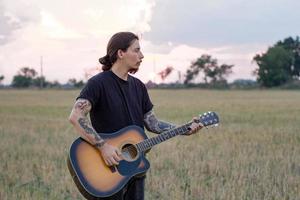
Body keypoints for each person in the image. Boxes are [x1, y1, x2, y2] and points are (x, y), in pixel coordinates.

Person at [68, 32, 202, 200]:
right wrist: (104, 147)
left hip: (135, 166)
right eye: (136, 50)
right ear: (121, 53)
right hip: (108, 167)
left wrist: (185, 128)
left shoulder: (139, 86)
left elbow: (152, 123)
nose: (142, 56)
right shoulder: (98, 83)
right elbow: (76, 116)